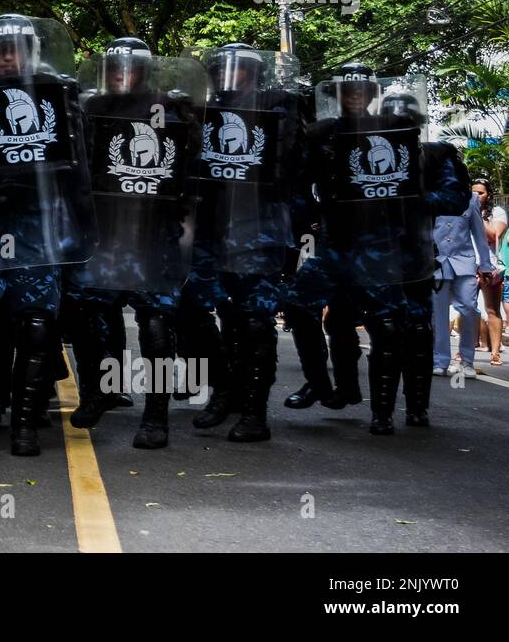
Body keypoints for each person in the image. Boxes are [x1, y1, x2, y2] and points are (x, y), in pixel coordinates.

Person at [285, 67, 467, 434]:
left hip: (395, 249)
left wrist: (409, 199)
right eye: (346, 90)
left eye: (361, 90)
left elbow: (453, 198)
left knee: (403, 327)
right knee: (306, 308)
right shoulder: (325, 137)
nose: (354, 95)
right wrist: (308, 214)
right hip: (339, 246)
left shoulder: (422, 148)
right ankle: (324, 385)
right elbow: (297, 187)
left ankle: (405, 409)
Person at [0, 14, 96, 455]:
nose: (6, 57)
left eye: (14, 49)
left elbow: (80, 168)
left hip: (39, 225)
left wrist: (82, 228)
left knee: (34, 323)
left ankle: (26, 422)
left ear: (30, 52)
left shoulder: (60, 94)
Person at [70, 38, 203, 449]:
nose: (122, 74)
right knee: (90, 316)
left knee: (158, 326)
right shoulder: (89, 108)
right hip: (105, 236)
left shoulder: (173, 108)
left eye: (131, 67)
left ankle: (156, 414)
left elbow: (195, 170)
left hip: (155, 236)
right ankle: (101, 389)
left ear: (146, 71)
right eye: (114, 67)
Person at [176, 44, 303, 443]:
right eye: (221, 70)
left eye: (240, 70)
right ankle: (224, 386)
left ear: (253, 74)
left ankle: (254, 412)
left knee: (253, 321)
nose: (230, 76)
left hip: (257, 230)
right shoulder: (202, 109)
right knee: (189, 309)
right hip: (209, 230)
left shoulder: (276, 109)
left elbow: (290, 166)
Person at [430, 187, 494, 376]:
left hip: (464, 262)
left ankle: (467, 361)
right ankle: (440, 360)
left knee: (469, 308)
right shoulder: (430, 196)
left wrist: (485, 266)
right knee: (438, 314)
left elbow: (479, 234)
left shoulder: (470, 198)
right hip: (437, 262)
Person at [472, 179, 505, 365]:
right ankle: (465, 350)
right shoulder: (464, 208)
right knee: (468, 309)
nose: (476, 196)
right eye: (473, 192)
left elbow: (493, 235)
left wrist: (477, 215)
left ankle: (495, 352)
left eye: (481, 193)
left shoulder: (497, 212)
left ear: (488, 194)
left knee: (492, 310)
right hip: (468, 266)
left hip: (490, 268)